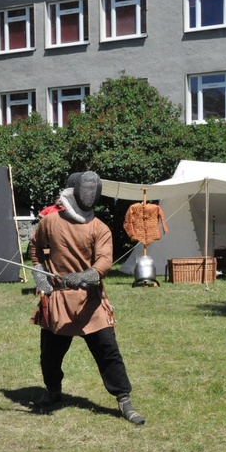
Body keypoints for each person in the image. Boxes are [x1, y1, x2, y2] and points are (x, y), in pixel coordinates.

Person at [28, 171, 145, 425]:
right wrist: (42, 279)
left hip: (90, 302)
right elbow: (35, 249)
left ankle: (124, 400)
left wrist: (85, 275)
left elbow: (104, 263)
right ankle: (53, 392)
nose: (89, 193)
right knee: (50, 355)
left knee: (108, 352)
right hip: (58, 301)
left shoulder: (99, 228)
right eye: (86, 188)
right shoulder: (49, 223)